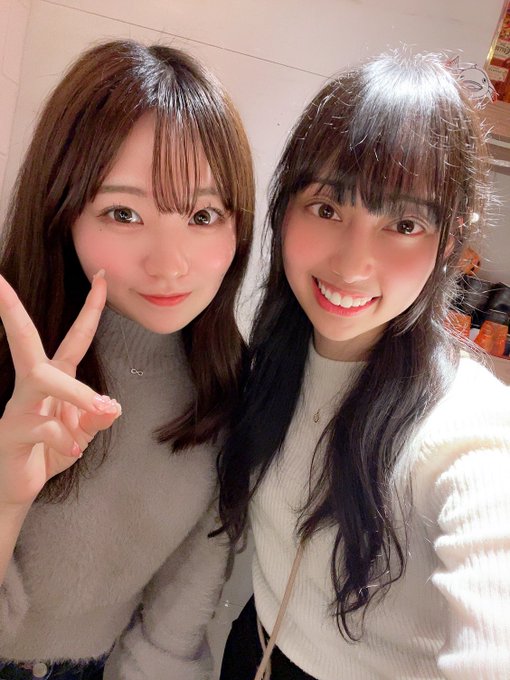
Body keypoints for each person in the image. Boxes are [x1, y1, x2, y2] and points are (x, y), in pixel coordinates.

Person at [217, 50, 510, 680]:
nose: (352, 265)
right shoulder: (271, 357)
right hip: (251, 650)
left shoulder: (471, 431)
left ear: (449, 240)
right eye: (328, 208)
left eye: (403, 223)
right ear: (286, 207)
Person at [0, 39, 254, 679]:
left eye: (203, 214)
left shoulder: (228, 378)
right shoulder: (13, 354)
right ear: (61, 211)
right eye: (123, 212)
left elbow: (188, 589)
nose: (169, 264)